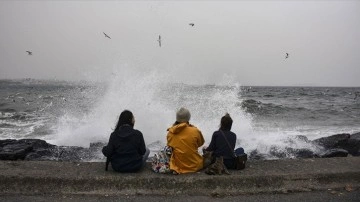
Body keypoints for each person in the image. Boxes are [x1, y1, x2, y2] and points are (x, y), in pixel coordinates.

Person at [166, 107, 205, 174]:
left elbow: (170, 146)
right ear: (188, 117)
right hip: (195, 165)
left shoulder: (171, 132)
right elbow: (200, 143)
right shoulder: (195, 131)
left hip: (178, 167)